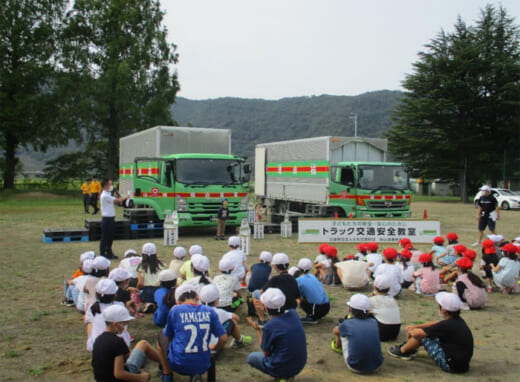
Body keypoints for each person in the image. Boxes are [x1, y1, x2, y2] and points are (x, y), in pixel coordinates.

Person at [388, 292, 474, 374]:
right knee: (429, 333)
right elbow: (437, 324)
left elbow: (418, 334)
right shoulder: (457, 321)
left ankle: (403, 351)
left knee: (424, 337)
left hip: (451, 365)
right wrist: (417, 326)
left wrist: (411, 331)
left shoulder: (447, 325)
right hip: (463, 365)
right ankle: (409, 348)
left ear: (443, 310)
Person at [158, 284, 227, 381]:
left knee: (161, 337)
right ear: (198, 297)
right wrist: (215, 348)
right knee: (203, 353)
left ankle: (167, 374)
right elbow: (223, 338)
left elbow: (168, 336)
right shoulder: (210, 311)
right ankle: (196, 376)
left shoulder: (175, 310)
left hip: (178, 363)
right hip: (203, 364)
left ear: (177, 301)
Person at [247, 288, 307, 381]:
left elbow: (265, 352)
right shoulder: (293, 313)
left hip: (282, 368)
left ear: (265, 307)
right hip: (300, 364)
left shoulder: (270, 326)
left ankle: (281, 376)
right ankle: (286, 375)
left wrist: (258, 331)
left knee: (252, 357)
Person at [92, 304, 163, 382]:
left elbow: (128, 354)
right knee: (143, 344)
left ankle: (165, 363)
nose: (125, 327)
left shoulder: (98, 339)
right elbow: (118, 374)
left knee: (142, 344)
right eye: (124, 324)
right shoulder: (117, 342)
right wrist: (140, 377)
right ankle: (167, 364)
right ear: (115, 324)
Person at [331, 294, 384, 374]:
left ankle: (337, 346)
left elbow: (335, 331)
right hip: (377, 366)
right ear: (368, 311)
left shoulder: (347, 323)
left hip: (355, 366)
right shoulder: (374, 322)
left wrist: (339, 327)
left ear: (349, 309)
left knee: (341, 330)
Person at [199, 284, 252, 348]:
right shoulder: (219, 312)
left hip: (198, 348)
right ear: (217, 300)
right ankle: (239, 340)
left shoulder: (194, 312)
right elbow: (237, 318)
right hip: (214, 347)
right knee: (231, 321)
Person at [85, 279, 131, 352]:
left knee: (89, 322)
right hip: (118, 345)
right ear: (115, 294)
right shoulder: (120, 305)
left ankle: (91, 341)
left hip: (96, 346)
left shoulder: (92, 307)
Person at [99, 178, 129, 259]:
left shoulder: (107, 194)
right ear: (105, 186)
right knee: (105, 237)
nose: (111, 186)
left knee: (110, 237)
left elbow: (114, 199)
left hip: (111, 218)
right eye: (110, 184)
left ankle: (109, 252)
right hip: (107, 219)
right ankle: (102, 253)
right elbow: (118, 200)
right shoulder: (104, 195)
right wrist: (127, 196)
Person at [294, 258, 330, 324]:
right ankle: (314, 315)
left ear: (298, 267)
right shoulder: (312, 276)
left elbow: (296, 295)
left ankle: (312, 317)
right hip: (327, 306)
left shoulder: (298, 280)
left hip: (317, 308)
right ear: (310, 268)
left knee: (297, 297)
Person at [370, 275, 401, 341]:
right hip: (395, 333)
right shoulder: (393, 300)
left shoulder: (372, 300)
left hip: (381, 333)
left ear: (374, 286)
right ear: (389, 288)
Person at [137, 242, 165, 312]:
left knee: (138, 293)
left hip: (147, 292)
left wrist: (137, 290)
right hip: (159, 291)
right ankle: (157, 303)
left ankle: (148, 303)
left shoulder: (141, 267)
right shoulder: (162, 265)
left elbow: (140, 283)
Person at [246, 251, 272, 325]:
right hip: (262, 290)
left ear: (259, 259)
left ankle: (252, 312)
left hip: (251, 288)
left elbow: (249, 275)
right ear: (270, 261)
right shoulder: (269, 268)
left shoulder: (254, 266)